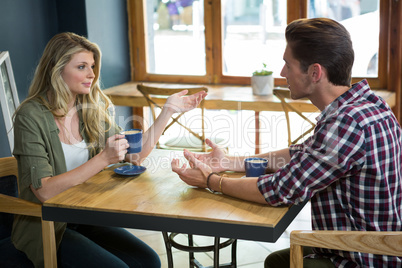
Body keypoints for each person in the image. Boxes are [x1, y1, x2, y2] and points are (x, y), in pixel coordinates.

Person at [171, 18, 402, 267]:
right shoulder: (367, 105)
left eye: (287, 64)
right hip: (380, 249)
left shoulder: (347, 123)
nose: (282, 73)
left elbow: (282, 189)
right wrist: (229, 162)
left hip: (362, 258)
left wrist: (211, 181)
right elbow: (303, 154)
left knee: (277, 263)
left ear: (315, 72)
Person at [12, 32, 206, 268]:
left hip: (85, 215)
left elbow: (135, 154)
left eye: (92, 66)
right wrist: (103, 158)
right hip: (50, 226)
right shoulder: (30, 116)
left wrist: (167, 111)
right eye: (82, 66)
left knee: (149, 261)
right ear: (56, 69)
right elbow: (44, 191)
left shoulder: (87, 108)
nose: (92, 74)